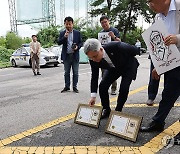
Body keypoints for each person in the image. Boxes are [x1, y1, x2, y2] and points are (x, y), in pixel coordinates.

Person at [140, 0, 180, 132]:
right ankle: (158, 122)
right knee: (168, 92)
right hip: (173, 61)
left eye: (150, 1)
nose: (149, 5)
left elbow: (173, 39)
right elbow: (159, 44)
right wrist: (159, 65)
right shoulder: (158, 16)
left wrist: (177, 39)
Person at [83, 38, 140, 119]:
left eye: (95, 56)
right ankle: (106, 109)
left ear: (101, 49)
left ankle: (118, 111)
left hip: (128, 66)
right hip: (113, 68)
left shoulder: (116, 46)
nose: (94, 60)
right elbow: (94, 77)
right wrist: (93, 96)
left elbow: (134, 50)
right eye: (91, 58)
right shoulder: (92, 59)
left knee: (124, 88)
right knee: (103, 86)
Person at [58, 16, 83, 93]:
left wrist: (77, 47)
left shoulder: (77, 33)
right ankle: (67, 86)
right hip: (66, 56)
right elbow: (59, 42)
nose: (68, 26)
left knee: (75, 72)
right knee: (66, 72)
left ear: (73, 24)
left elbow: (81, 43)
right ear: (64, 24)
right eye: (66, 24)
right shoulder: (62, 33)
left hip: (75, 55)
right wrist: (64, 37)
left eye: (69, 24)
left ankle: (75, 87)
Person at [99, 15, 121, 95]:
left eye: (105, 22)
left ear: (108, 21)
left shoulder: (114, 30)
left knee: (113, 71)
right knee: (104, 71)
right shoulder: (101, 33)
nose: (104, 24)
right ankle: (105, 87)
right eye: (102, 23)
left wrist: (113, 36)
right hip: (104, 54)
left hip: (113, 55)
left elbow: (119, 41)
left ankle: (113, 88)